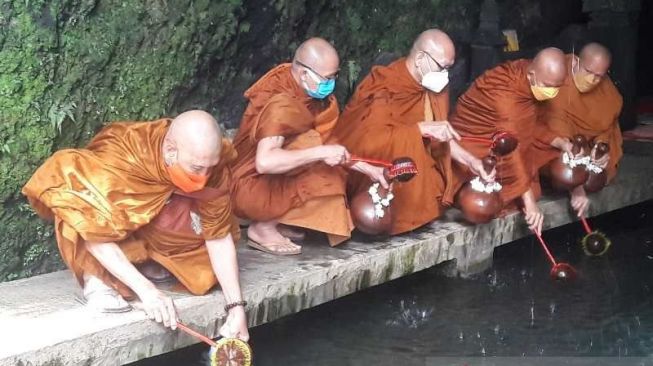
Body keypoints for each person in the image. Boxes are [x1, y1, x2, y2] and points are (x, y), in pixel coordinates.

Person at [22, 110, 249, 341]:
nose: (204, 177)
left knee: (207, 272)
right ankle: (98, 276)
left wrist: (237, 307)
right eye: (196, 169)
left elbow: (218, 235)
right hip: (113, 226)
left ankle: (149, 260)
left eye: (210, 168)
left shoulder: (211, 162)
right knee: (75, 198)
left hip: (160, 221)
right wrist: (147, 291)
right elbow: (92, 226)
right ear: (170, 150)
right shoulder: (127, 154)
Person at [231, 37, 387, 254]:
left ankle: (280, 219)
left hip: (278, 175)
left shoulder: (307, 90)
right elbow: (265, 162)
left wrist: (366, 168)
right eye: (327, 78)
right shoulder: (282, 102)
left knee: (333, 172)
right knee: (319, 162)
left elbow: (328, 141)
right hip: (249, 184)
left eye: (335, 76)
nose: (331, 84)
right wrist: (320, 153)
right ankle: (263, 227)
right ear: (304, 73)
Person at [332, 29, 493, 235]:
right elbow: (367, 142)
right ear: (420, 58)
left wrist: (471, 161)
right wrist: (420, 129)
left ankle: (420, 207)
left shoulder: (435, 86)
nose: (445, 74)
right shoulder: (384, 86)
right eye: (442, 67)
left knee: (465, 168)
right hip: (381, 166)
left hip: (419, 164)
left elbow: (439, 137)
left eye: (449, 69)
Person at [449, 47, 567, 235]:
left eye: (557, 87)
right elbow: (511, 148)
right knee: (511, 197)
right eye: (547, 85)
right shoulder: (505, 97)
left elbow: (532, 124)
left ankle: (515, 191)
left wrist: (561, 142)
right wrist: (529, 204)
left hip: (511, 139)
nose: (551, 92)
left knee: (545, 174)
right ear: (531, 75)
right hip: (476, 141)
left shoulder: (526, 71)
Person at [536, 42, 623, 217]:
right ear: (576, 62)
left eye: (598, 76)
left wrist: (600, 149)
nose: (592, 80)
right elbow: (555, 128)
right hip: (558, 143)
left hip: (588, 146)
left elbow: (606, 128)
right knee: (563, 172)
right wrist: (576, 189)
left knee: (594, 180)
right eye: (588, 72)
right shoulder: (558, 75)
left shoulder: (609, 93)